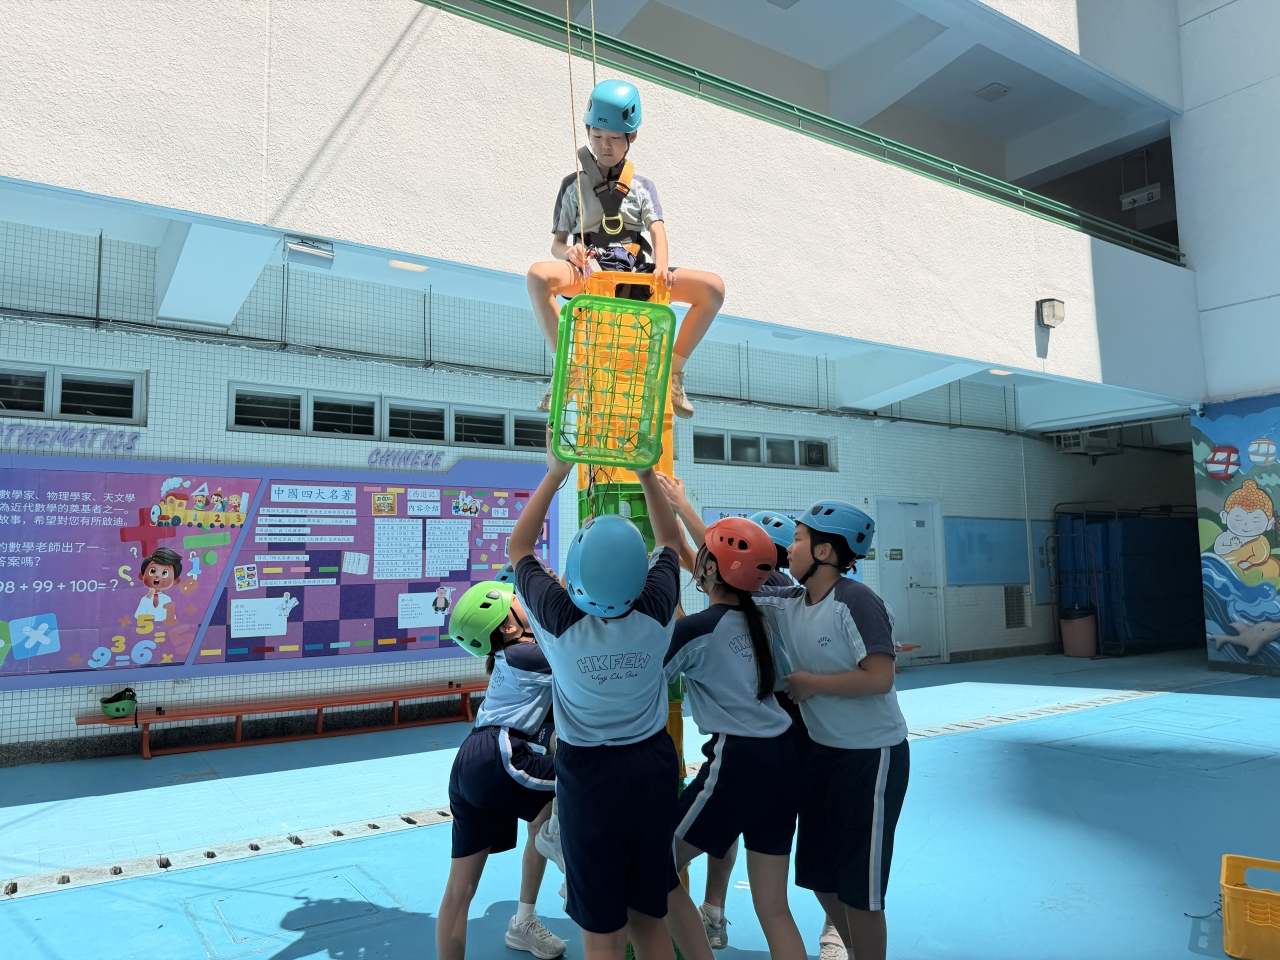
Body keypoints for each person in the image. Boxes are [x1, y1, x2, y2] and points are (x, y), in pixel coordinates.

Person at [507, 435, 713, 960]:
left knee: (602, 928)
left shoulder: (559, 621)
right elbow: (670, 541)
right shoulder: (657, 610)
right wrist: (646, 474)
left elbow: (519, 550)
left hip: (588, 778)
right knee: (649, 916)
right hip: (651, 768)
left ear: (575, 575)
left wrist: (555, 473)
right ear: (639, 576)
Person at [756, 502, 910, 960]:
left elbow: (880, 677)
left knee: (860, 888)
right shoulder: (790, 602)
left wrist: (812, 684)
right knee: (820, 875)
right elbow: (720, 571)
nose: (789, 549)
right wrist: (680, 508)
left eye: (798, 539)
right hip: (823, 754)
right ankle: (856, 948)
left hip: (871, 757)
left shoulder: (856, 600)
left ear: (823, 552)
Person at [526, 79, 725, 420]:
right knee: (538, 276)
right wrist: (569, 253)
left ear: (631, 137)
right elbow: (558, 243)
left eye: (615, 138)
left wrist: (661, 267)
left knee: (713, 289)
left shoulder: (642, 187)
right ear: (588, 133)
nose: (605, 145)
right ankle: (568, 370)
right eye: (597, 136)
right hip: (590, 271)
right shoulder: (572, 185)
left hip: (635, 272)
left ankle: (672, 373)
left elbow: (657, 230)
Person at [664, 517, 807, 960]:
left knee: (652, 863)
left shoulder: (695, 630)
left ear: (710, 568)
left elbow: (643, 681)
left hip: (738, 762)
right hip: (785, 759)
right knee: (774, 908)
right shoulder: (766, 619)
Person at [437, 581, 566, 960]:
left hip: (470, 763)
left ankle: (523, 922)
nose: (524, 601)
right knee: (592, 774)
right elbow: (580, 649)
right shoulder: (527, 654)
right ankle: (571, 859)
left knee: (459, 890)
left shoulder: (511, 657)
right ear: (509, 626)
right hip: (502, 753)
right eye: (517, 600)